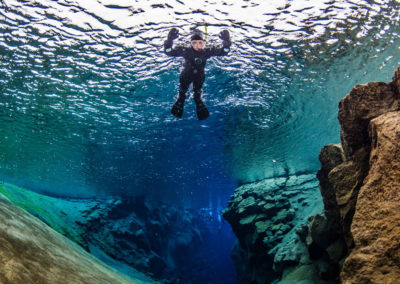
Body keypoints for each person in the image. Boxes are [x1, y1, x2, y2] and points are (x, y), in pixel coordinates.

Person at [164, 27, 231, 120]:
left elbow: (224, 52)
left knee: (197, 95)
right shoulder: (186, 50)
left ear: (204, 43)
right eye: (194, 42)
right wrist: (169, 40)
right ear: (190, 44)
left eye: (200, 42)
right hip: (186, 75)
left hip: (199, 76)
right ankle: (181, 99)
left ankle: (197, 100)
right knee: (182, 93)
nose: (197, 45)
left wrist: (227, 41)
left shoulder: (207, 51)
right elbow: (169, 52)